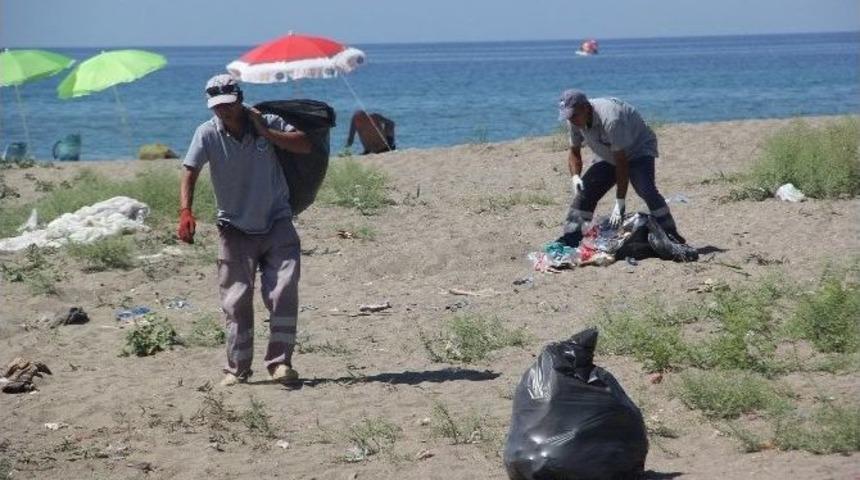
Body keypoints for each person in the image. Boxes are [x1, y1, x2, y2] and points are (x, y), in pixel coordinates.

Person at [178, 74, 312, 387]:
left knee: (283, 291)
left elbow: (304, 144)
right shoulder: (206, 132)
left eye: (227, 104)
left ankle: (280, 363)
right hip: (233, 227)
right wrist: (185, 210)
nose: (223, 111)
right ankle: (237, 368)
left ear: (239, 98)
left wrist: (265, 131)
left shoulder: (267, 122)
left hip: (277, 220)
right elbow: (189, 170)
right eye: (216, 106)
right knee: (236, 302)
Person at [556, 89, 686, 247]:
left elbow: (622, 163)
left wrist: (620, 202)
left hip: (637, 149)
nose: (572, 120)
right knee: (586, 192)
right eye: (568, 116)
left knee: (645, 189)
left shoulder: (611, 119)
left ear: (586, 108)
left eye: (574, 115)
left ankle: (670, 233)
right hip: (608, 152)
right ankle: (572, 238)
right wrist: (575, 176)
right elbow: (574, 151)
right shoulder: (573, 120)